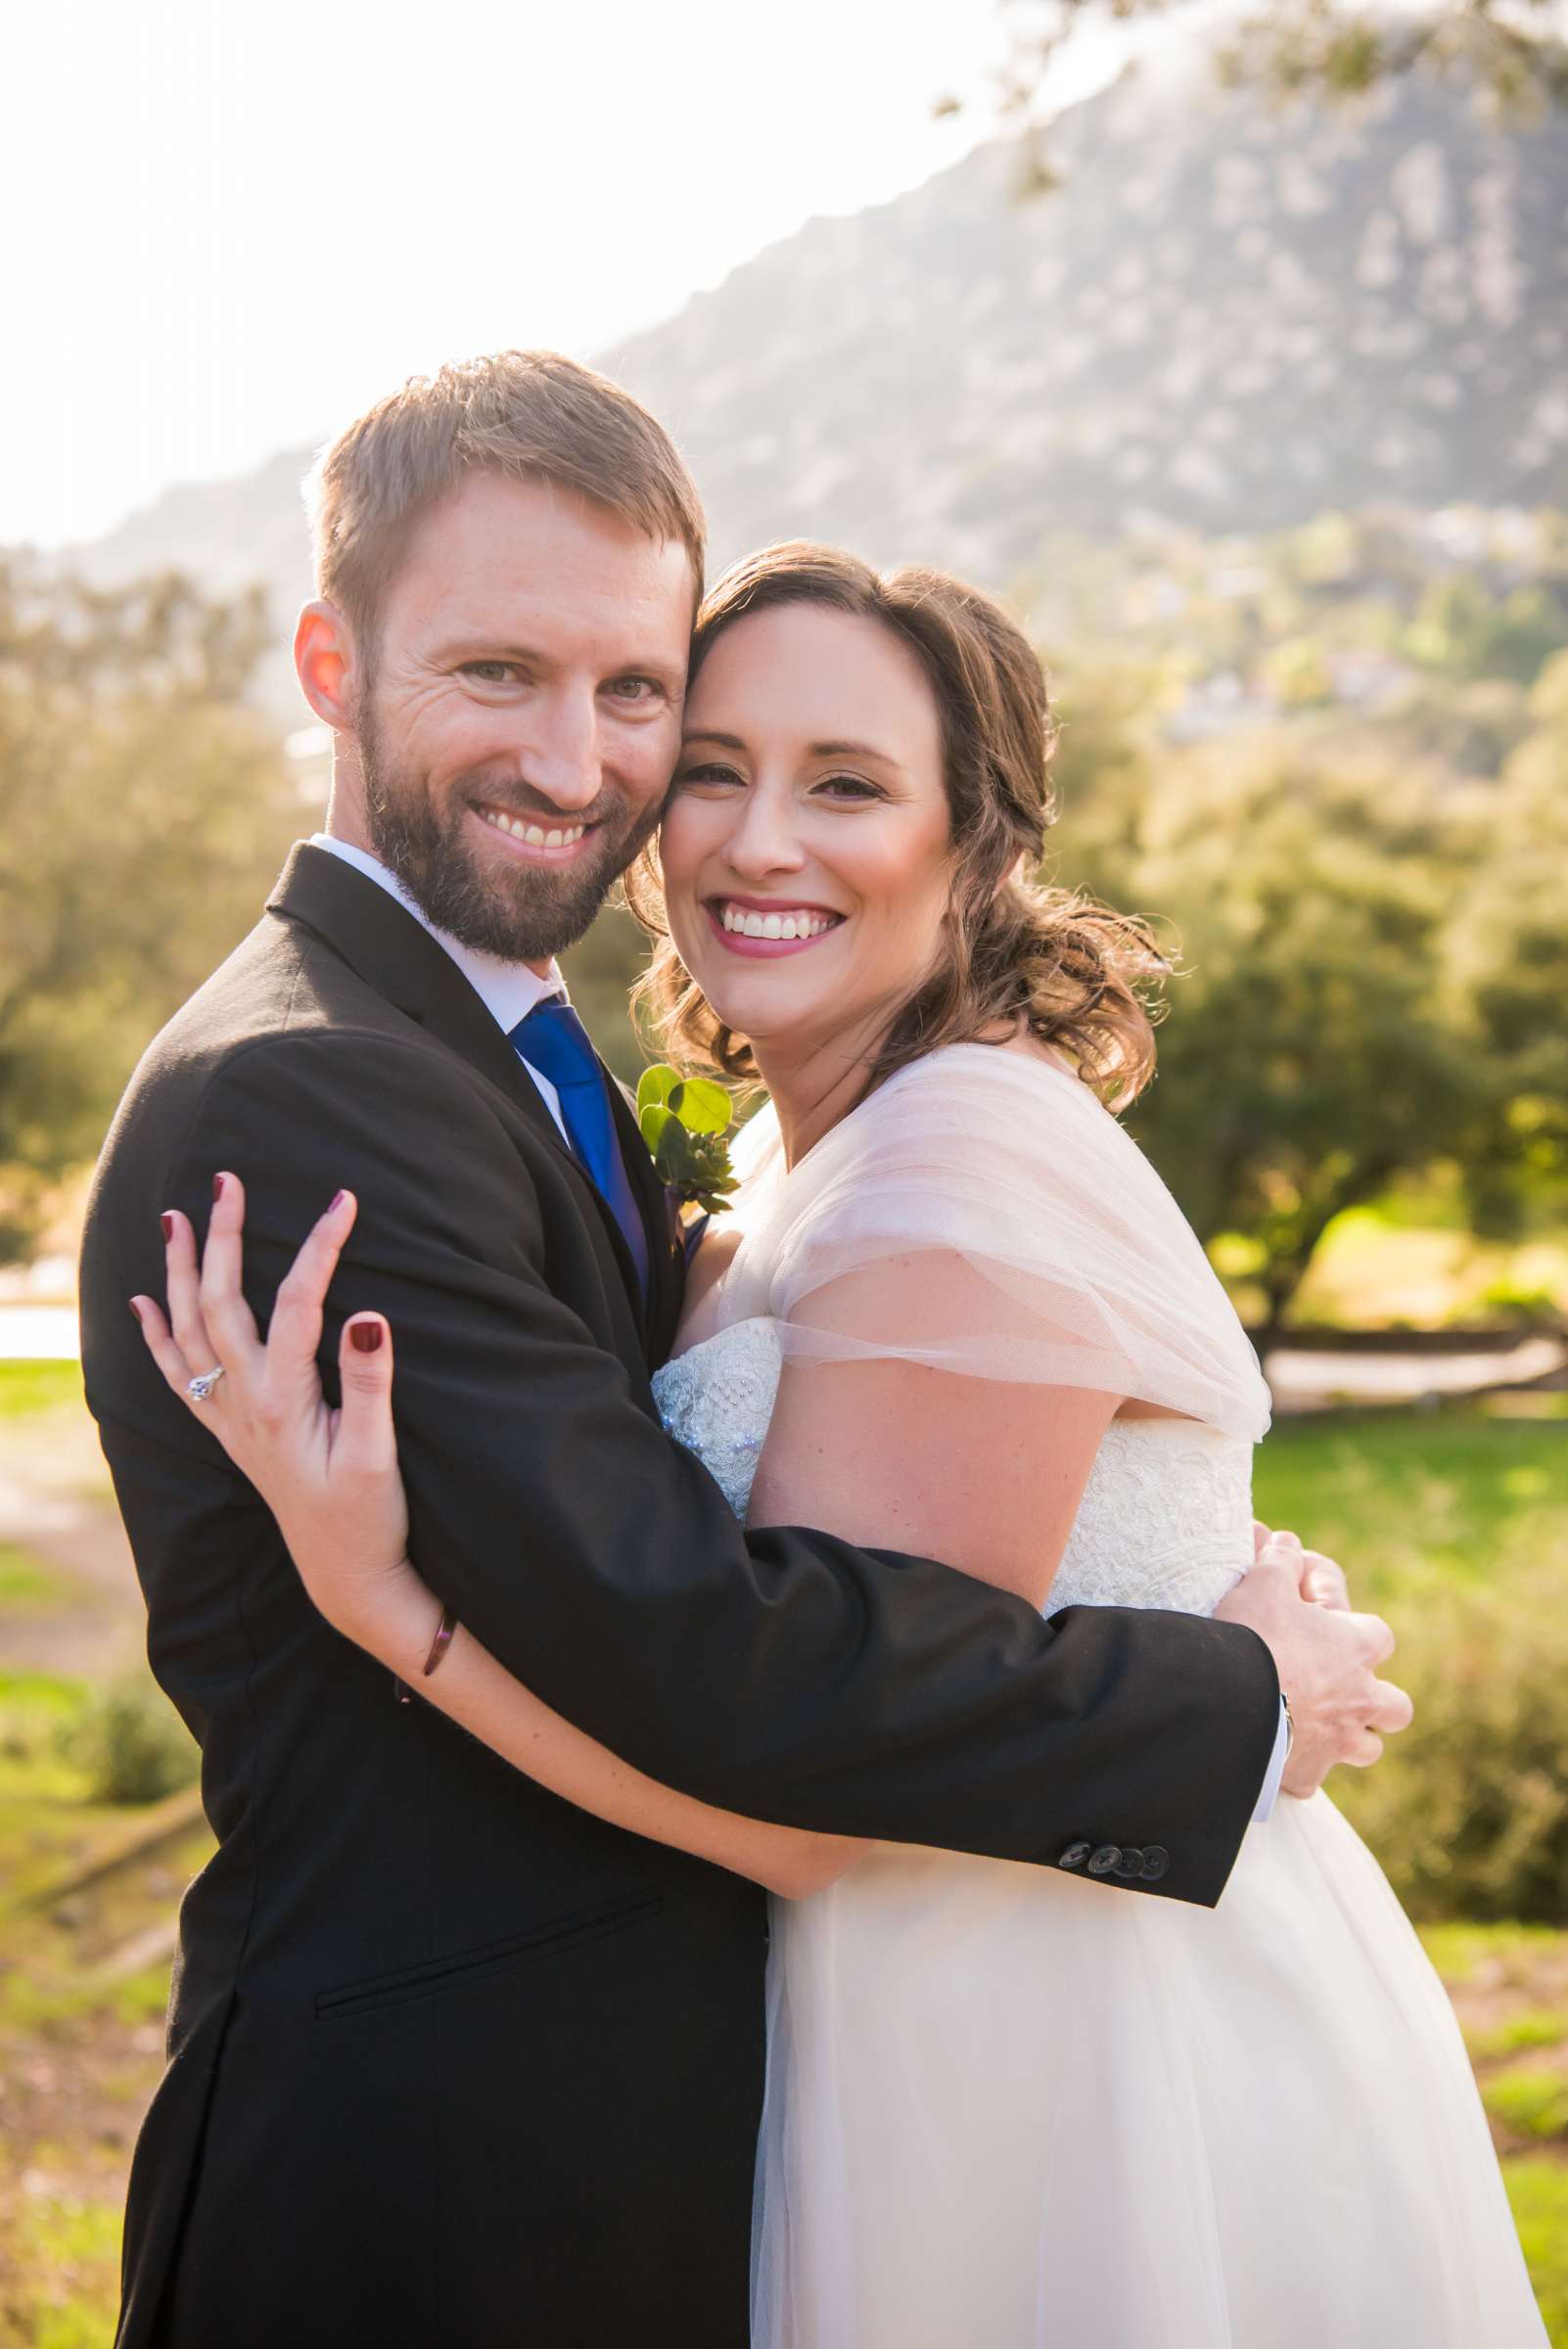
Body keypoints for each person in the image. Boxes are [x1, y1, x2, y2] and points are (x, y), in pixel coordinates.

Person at [85, 351, 1407, 2349]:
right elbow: (713, 1653)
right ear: (331, 663)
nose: (580, 757)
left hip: (743, 2122)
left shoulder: (532, 1071)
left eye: (635, 695)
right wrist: (1220, 1701)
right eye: (496, 673)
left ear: (972, 840)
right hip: (431, 2189)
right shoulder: (318, 1095)